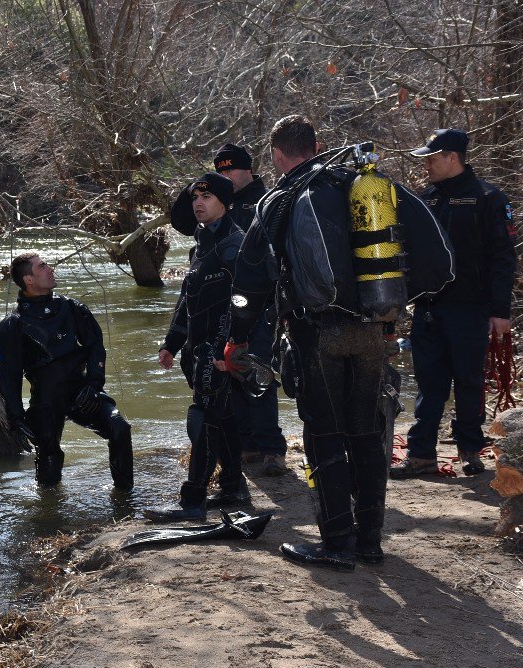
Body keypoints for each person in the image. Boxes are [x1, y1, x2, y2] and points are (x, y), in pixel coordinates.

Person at [223, 116, 390, 571]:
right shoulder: (360, 188)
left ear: (277, 156)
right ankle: (371, 542)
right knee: (367, 430)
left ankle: (337, 542)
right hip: (372, 327)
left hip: (317, 332)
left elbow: (250, 280)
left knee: (325, 434)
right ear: (318, 146)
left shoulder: (278, 201)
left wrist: (238, 336)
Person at [391, 129, 517, 479]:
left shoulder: (488, 198)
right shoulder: (424, 199)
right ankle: (420, 455)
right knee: (429, 382)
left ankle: (469, 451)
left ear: (453, 157)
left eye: (432, 157)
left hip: (470, 308)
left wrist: (500, 311)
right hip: (428, 307)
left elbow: (503, 259)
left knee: (468, 381)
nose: (427, 164)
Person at [148, 173, 247, 521]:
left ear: (224, 201)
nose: (198, 203)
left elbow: (248, 302)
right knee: (225, 416)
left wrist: (232, 349)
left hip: (219, 350)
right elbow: (186, 300)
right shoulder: (201, 244)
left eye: (206, 197)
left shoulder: (235, 244)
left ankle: (192, 502)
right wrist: (172, 344)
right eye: (194, 198)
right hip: (197, 348)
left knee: (202, 416)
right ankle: (234, 486)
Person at [0, 254, 134, 491]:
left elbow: (96, 347)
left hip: (82, 392)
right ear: (28, 279)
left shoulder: (71, 308)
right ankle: (49, 512)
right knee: (48, 454)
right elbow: (9, 377)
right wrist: (16, 418)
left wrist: (93, 385)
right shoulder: (10, 326)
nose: (50, 269)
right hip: (46, 399)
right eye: (42, 266)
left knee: (119, 428)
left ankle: (125, 496)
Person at [214, 143, 289, 476]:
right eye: (221, 171)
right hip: (226, 305)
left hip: (261, 305)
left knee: (259, 373)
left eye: (231, 169)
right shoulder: (219, 204)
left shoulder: (268, 202)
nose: (227, 176)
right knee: (231, 373)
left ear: (248, 169)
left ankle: (272, 448)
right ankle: (248, 444)